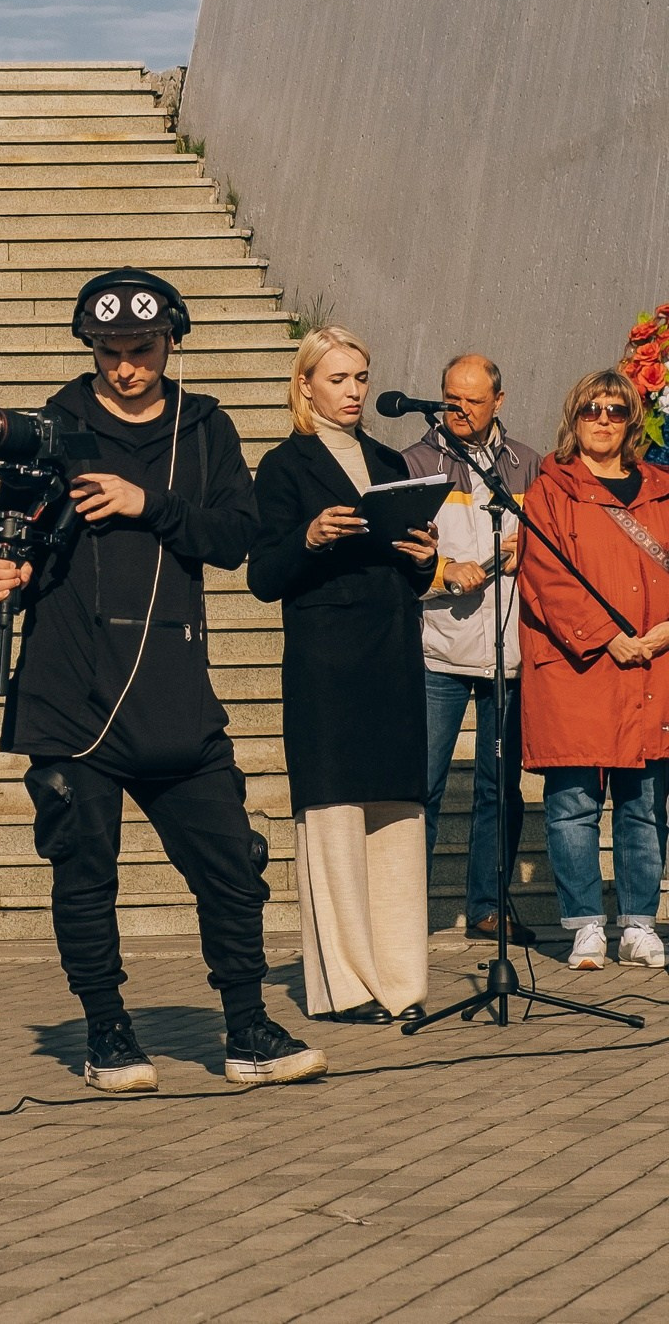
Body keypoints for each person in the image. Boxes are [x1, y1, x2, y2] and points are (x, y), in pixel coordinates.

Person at [0, 268, 326, 1092]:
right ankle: (107, 1030)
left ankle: (245, 1025)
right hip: (72, 692)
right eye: (108, 351)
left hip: (173, 688)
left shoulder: (204, 427)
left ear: (171, 342)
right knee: (84, 866)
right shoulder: (52, 426)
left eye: (140, 350)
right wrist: (10, 573)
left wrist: (148, 503)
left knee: (232, 863)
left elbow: (235, 536)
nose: (124, 366)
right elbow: (16, 534)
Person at [248, 326, 440, 1023]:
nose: (355, 390)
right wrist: (307, 538)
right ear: (305, 385)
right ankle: (348, 985)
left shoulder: (392, 459)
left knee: (395, 815)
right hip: (327, 664)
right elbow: (262, 577)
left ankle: (400, 976)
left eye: (361, 377)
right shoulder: (284, 466)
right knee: (334, 819)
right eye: (339, 378)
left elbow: (414, 574)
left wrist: (423, 555)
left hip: (391, 654)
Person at [517, 368, 669, 971]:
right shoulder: (550, 489)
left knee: (645, 805)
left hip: (654, 665)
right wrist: (609, 638)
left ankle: (638, 923)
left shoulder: (662, 487)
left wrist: (662, 633)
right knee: (573, 805)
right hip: (579, 669)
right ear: (573, 417)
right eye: (591, 410)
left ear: (633, 419)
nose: (603, 419)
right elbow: (544, 577)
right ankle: (584, 926)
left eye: (615, 409)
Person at [403, 353, 539, 942]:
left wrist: (525, 550)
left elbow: (557, 551)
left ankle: (488, 907)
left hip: (508, 654)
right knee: (423, 787)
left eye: (472, 400)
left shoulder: (530, 465)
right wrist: (441, 570)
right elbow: (396, 556)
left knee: (499, 788)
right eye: (449, 398)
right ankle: (405, 912)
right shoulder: (413, 463)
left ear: (498, 402)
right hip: (438, 652)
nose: (458, 409)